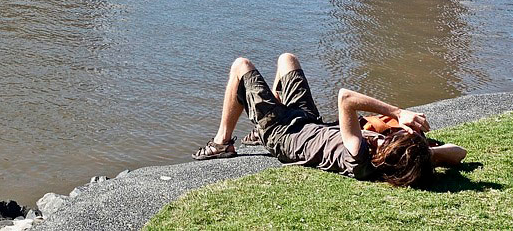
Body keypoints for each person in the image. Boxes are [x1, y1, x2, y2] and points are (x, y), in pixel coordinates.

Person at [192, 53, 466, 186]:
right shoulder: (396, 161)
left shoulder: (358, 155)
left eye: (390, 138)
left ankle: (222, 142)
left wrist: (398, 113)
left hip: (282, 134)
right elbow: (459, 153)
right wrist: (426, 151)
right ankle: (259, 126)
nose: (388, 134)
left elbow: (345, 98)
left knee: (241, 66)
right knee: (287, 60)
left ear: (385, 151)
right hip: (307, 121)